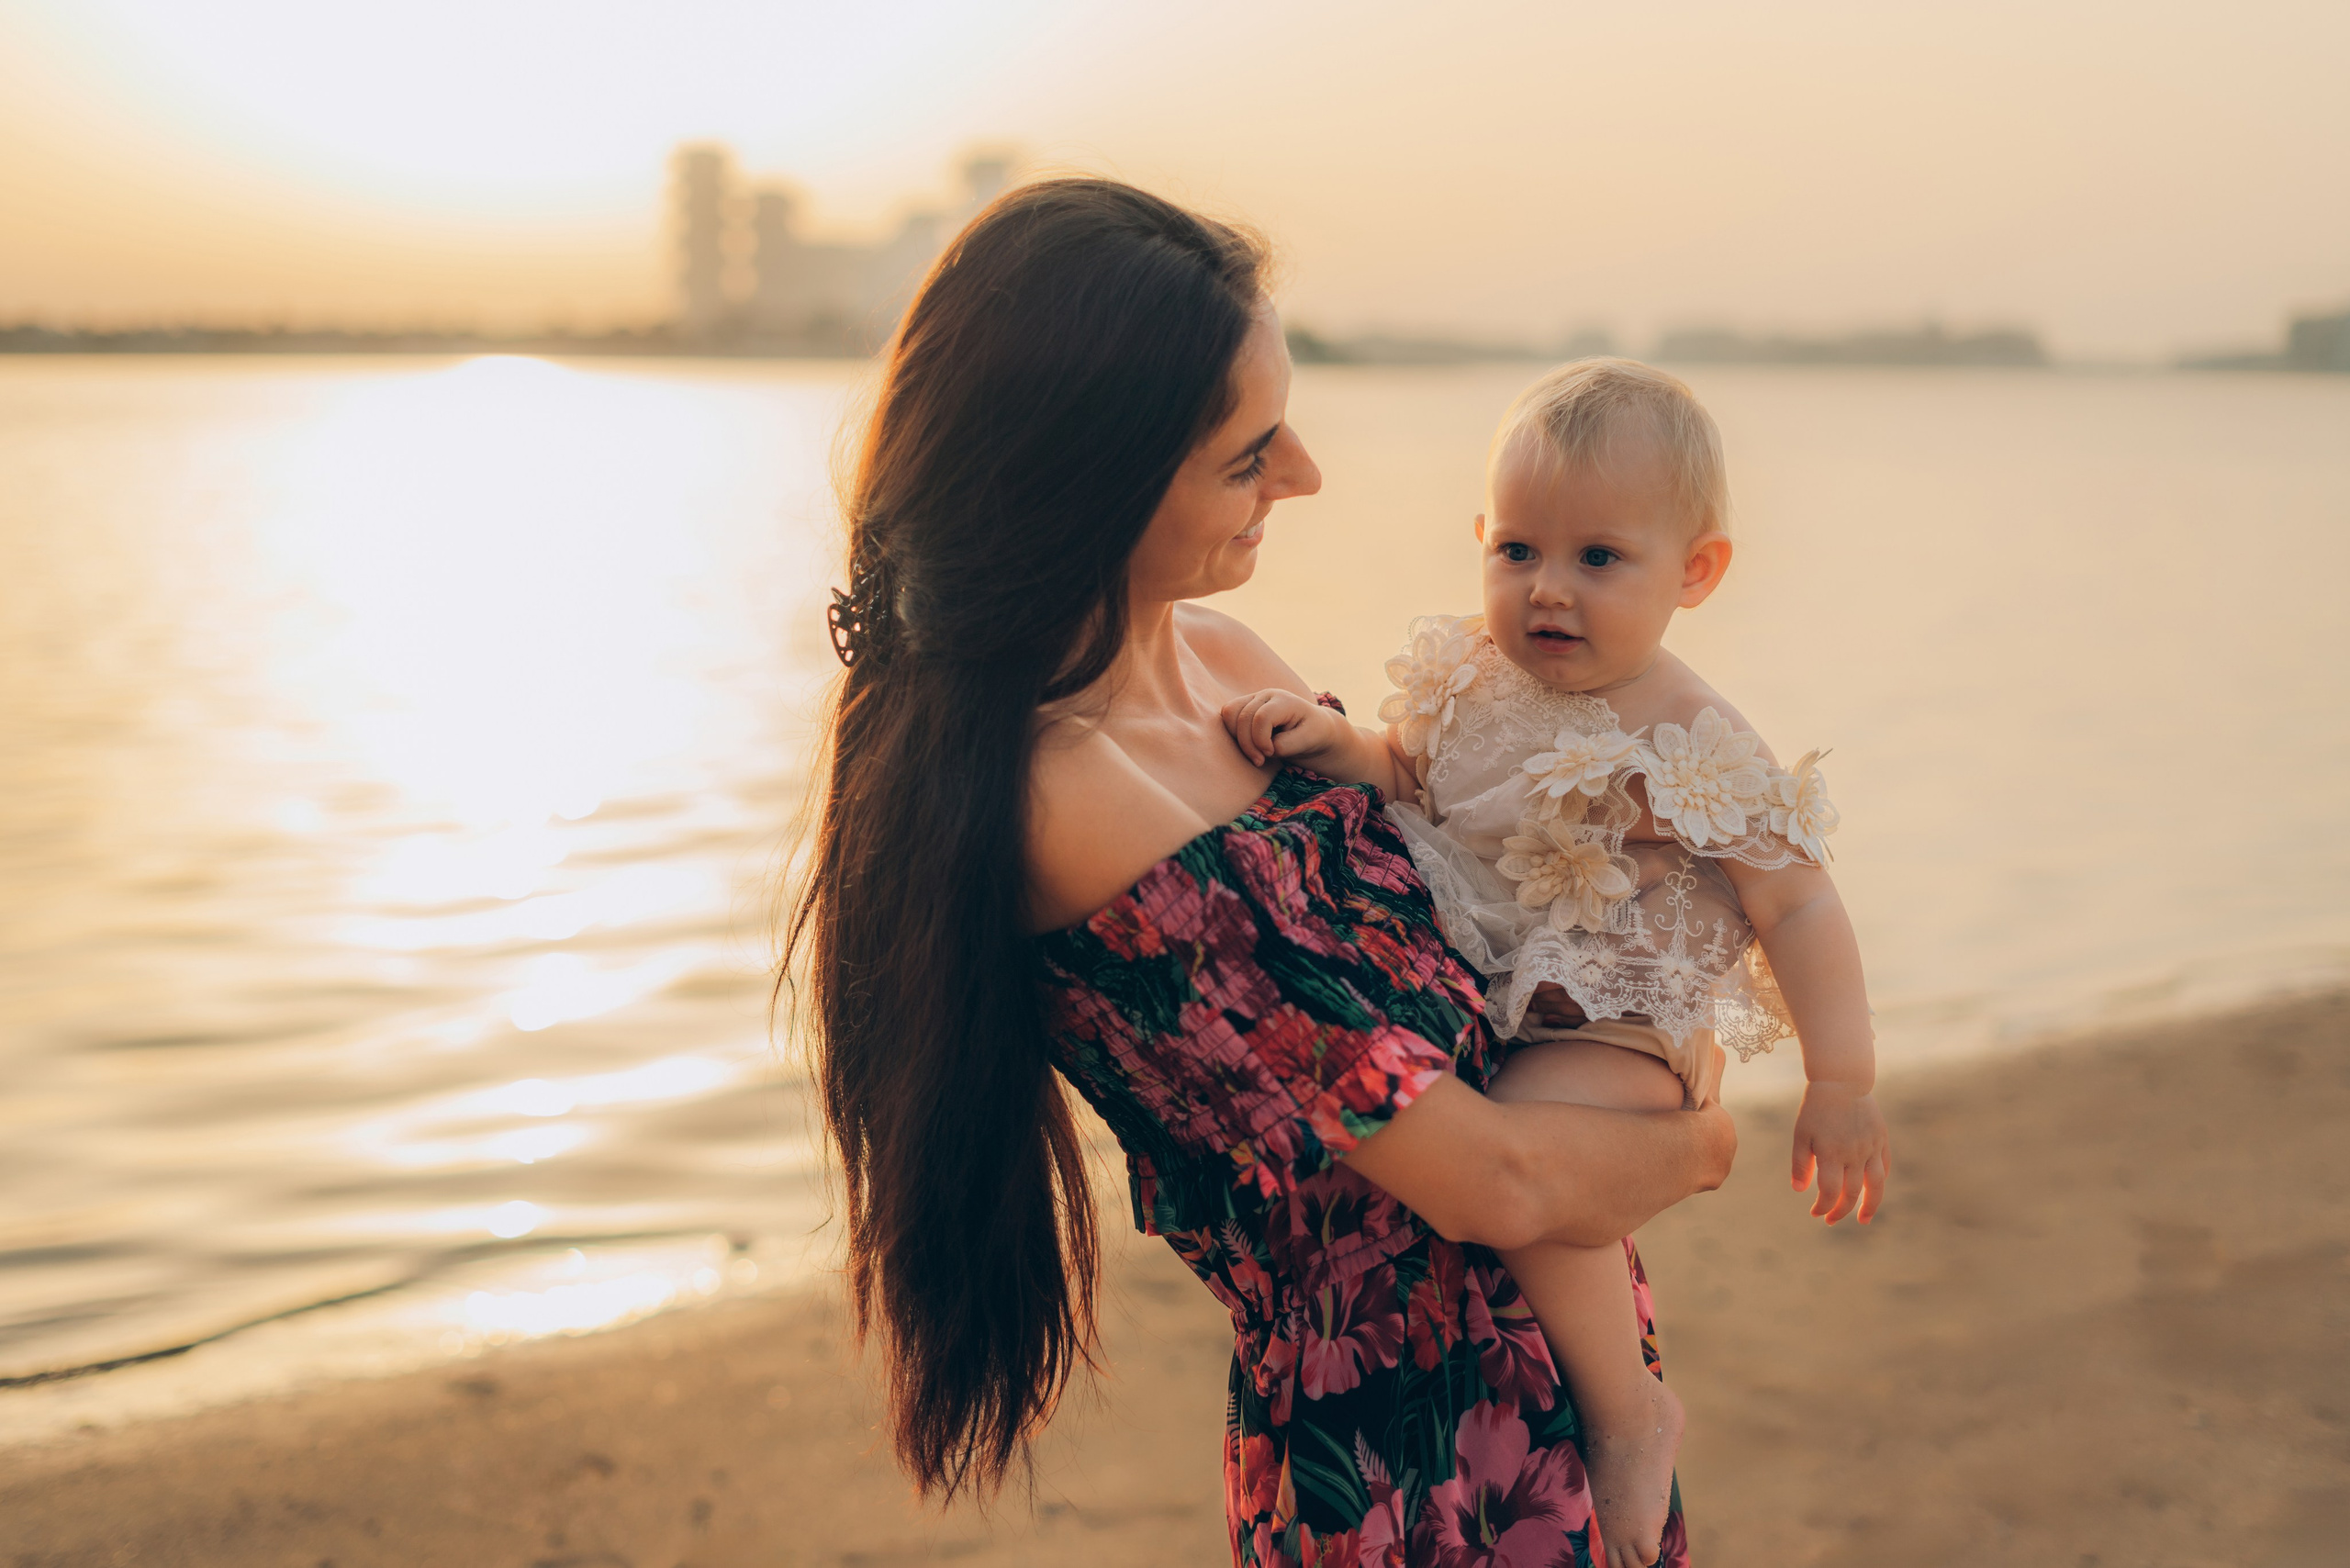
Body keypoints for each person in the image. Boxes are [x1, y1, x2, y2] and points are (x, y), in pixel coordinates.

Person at [785, 179, 1736, 1568]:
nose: (1302, 477)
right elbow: (1495, 1186)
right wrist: (1699, 1144)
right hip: (1394, 1458)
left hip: (1561, 1388)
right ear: (1092, 476)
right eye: (1248, 455)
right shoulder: (1061, 801)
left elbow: (1480, 927)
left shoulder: (1226, 664)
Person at [1220, 358, 1891, 1563]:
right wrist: (1343, 747)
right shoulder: (1470, 680)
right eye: (1518, 550)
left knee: (1524, 1160)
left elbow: (1795, 905)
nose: (1547, 590)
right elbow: (1425, 790)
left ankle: (1629, 1417)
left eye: (1598, 559)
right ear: (1480, 539)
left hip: (1622, 1014)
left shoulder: (1685, 731)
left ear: (1696, 572)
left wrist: (1843, 1079)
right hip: (1504, 992)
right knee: (1494, 1134)